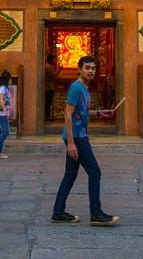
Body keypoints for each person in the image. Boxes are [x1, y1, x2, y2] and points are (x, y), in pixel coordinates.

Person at [51, 56, 119, 226]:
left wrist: (100, 113)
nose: (91, 71)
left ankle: (58, 212)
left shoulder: (84, 89)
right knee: (95, 172)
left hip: (77, 135)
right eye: (87, 68)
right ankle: (96, 213)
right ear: (79, 69)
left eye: (93, 68)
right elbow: (67, 114)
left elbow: (81, 113)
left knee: (70, 175)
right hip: (78, 138)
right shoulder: (76, 88)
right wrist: (72, 143)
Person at [45, 53, 57, 121]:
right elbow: (53, 75)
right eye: (53, 60)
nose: (54, 61)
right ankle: (48, 117)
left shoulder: (47, 66)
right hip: (49, 87)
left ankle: (48, 117)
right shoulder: (48, 67)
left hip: (48, 87)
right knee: (48, 102)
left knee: (48, 102)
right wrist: (59, 70)